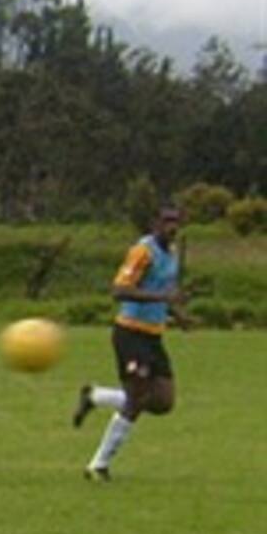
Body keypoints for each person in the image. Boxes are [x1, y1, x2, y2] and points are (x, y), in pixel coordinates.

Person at [72, 203, 187, 480]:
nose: (172, 227)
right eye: (167, 221)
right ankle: (98, 465)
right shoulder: (142, 251)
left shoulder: (171, 254)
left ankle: (95, 396)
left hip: (153, 336)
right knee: (137, 399)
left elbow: (163, 291)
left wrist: (179, 315)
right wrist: (162, 300)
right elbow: (119, 291)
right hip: (130, 335)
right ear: (155, 223)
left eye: (176, 222)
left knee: (163, 401)